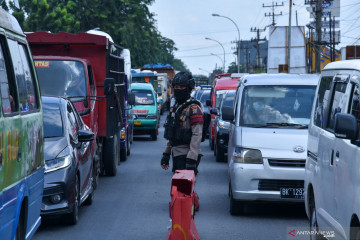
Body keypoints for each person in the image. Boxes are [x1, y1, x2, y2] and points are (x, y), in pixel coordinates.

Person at [161, 72, 204, 174]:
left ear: (188, 88)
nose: (179, 89)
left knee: (182, 188)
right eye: (176, 87)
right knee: (179, 188)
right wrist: (166, 154)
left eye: (182, 87)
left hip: (187, 155)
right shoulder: (176, 108)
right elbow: (173, 133)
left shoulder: (194, 109)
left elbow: (197, 134)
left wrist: (192, 158)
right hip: (176, 154)